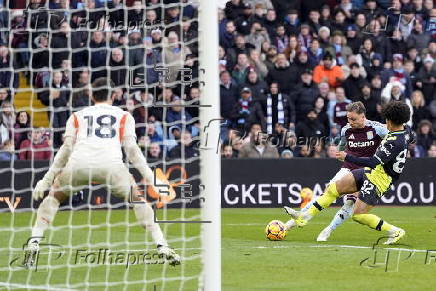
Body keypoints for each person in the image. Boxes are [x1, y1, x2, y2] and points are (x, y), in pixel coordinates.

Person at [25, 78, 180, 267]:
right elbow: (132, 151)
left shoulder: (77, 116)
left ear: (91, 95)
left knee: (54, 196)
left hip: (79, 164)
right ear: (113, 96)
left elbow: (65, 150)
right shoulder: (123, 116)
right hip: (111, 166)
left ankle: (34, 242)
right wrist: (151, 178)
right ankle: (161, 244)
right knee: (137, 198)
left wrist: (46, 180)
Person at [284, 101, 414, 245]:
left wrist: (347, 156)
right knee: (333, 189)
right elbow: (410, 136)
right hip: (368, 171)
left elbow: (373, 162)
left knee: (358, 215)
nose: (385, 122)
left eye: (387, 119)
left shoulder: (394, 140)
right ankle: (303, 218)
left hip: (379, 180)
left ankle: (395, 231)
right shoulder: (405, 132)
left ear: (390, 120)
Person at [299, 102, 389, 241]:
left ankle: (328, 230)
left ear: (363, 116)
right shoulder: (346, 130)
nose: (350, 122)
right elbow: (341, 148)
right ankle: (299, 218)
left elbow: (394, 140)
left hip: (367, 171)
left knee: (350, 203)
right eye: (348, 118)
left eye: (353, 119)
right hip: (348, 167)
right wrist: (344, 155)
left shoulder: (377, 128)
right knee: (328, 192)